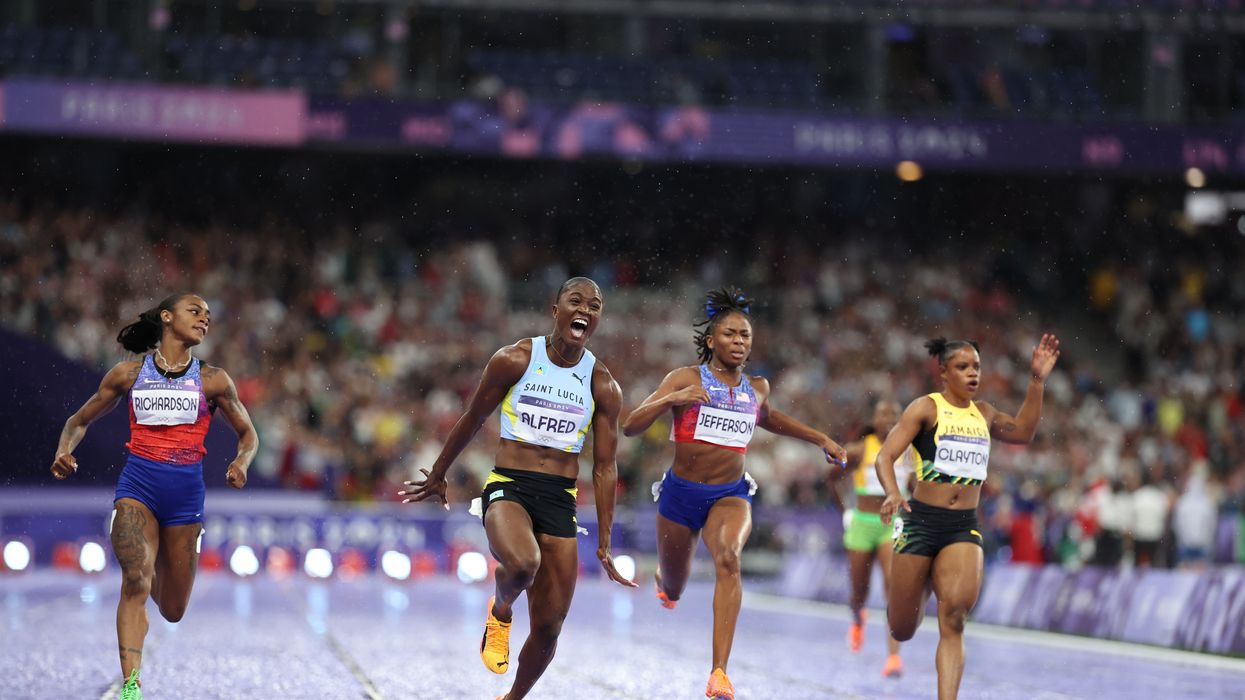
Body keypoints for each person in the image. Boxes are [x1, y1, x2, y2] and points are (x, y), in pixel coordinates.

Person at [399, 277, 636, 700]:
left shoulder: (602, 385)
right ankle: (501, 609)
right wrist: (439, 473)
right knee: (524, 564)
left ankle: (512, 698)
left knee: (549, 628)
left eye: (594, 305)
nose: (584, 309)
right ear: (555, 308)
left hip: (560, 497)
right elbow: (473, 417)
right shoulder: (516, 359)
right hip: (510, 486)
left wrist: (604, 541)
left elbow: (604, 467)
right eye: (575, 300)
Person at [622, 287, 847, 700]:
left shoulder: (757, 387)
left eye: (745, 335)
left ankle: (719, 673)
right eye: (730, 334)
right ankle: (665, 581)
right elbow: (631, 425)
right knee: (674, 586)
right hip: (679, 495)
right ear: (711, 340)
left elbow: (771, 418)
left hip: (730, 494)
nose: (739, 342)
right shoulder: (685, 378)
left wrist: (821, 439)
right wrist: (673, 398)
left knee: (729, 558)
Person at [50, 293, 258, 700]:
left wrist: (242, 462)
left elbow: (249, 434)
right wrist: (64, 449)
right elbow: (79, 420)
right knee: (134, 581)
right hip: (137, 488)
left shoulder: (214, 379)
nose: (204, 320)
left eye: (209, 316)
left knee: (173, 609)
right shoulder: (127, 375)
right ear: (167, 317)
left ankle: (157, 572)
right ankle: (131, 686)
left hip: (185, 499)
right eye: (194, 312)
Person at [877, 334, 1059, 700]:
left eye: (976, 366)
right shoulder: (925, 409)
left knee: (955, 618)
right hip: (919, 523)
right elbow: (884, 457)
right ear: (943, 372)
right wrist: (894, 494)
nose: (973, 374)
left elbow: (1023, 432)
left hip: (962, 527)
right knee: (902, 629)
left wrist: (1037, 380)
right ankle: (920, 584)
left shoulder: (986, 414)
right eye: (963, 367)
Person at [831, 399, 917, 677]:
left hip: (891, 524)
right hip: (862, 523)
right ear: (875, 420)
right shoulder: (860, 449)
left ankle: (893, 657)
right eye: (884, 414)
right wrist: (845, 510)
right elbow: (831, 478)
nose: (889, 418)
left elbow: (917, 486)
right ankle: (858, 618)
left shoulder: (909, 450)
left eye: (894, 413)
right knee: (859, 590)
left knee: (894, 586)